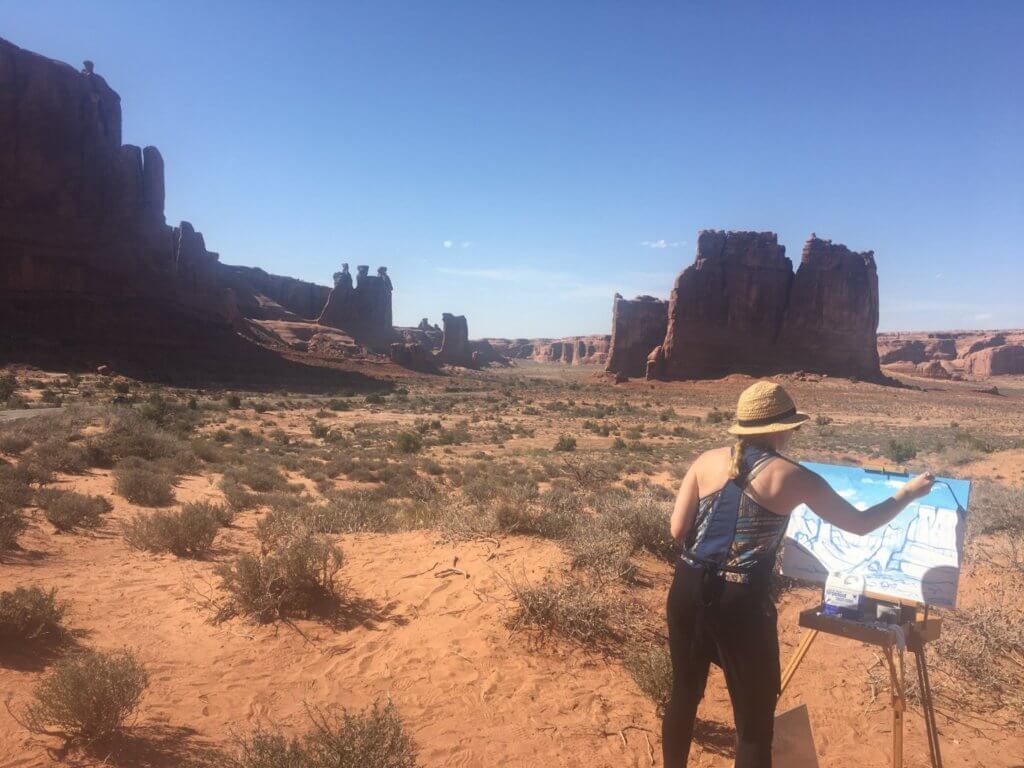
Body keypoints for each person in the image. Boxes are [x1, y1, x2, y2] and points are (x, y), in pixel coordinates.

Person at [663, 380, 934, 768]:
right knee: (754, 726)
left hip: (687, 589)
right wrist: (906, 494)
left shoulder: (706, 460)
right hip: (739, 603)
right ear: (778, 428)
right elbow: (859, 524)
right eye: (791, 425)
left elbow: (676, 531)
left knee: (683, 695)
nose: (793, 432)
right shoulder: (794, 476)